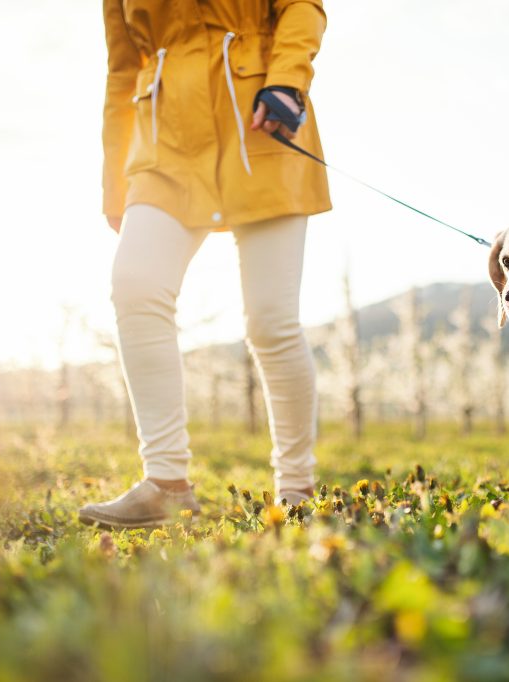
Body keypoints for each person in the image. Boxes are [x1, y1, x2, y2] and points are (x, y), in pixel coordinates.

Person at [79, 0, 330, 529]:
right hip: (162, 146)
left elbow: (302, 8)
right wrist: (114, 185)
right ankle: (166, 482)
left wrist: (287, 81)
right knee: (135, 286)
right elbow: (121, 68)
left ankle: (297, 488)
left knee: (270, 320)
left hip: (261, 125)